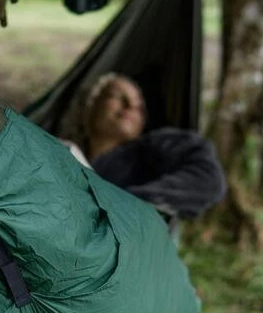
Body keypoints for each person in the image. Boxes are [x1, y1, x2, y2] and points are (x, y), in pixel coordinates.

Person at [60, 72, 226, 221]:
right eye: (117, 97)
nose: (131, 107)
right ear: (90, 105)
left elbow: (207, 179)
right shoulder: (63, 156)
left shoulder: (153, 147)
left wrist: (122, 204)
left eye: (139, 106)